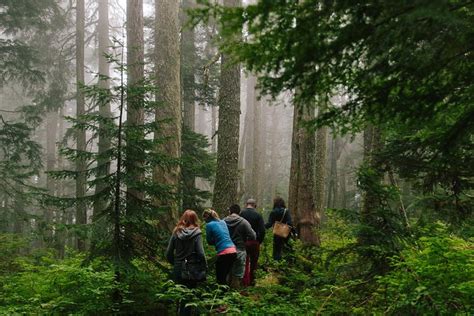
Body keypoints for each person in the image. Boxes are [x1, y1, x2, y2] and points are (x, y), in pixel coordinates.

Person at [166, 210, 207, 315]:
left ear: (183, 218)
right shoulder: (197, 233)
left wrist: (175, 263)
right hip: (191, 269)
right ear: (195, 219)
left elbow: (168, 253)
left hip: (178, 267)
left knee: (179, 295)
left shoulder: (176, 232)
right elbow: (201, 253)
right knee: (188, 297)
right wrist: (204, 266)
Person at [223, 204, 257, 288]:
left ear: (230, 211)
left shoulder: (223, 221)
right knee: (237, 275)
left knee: (227, 272)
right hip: (240, 250)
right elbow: (253, 236)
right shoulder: (244, 222)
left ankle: (224, 295)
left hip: (226, 250)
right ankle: (234, 296)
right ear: (239, 212)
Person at [202, 209, 237, 285]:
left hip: (224, 252)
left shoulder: (209, 225)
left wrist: (216, 241)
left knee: (220, 278)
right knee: (225, 275)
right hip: (233, 251)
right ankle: (228, 294)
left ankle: (221, 295)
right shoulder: (223, 222)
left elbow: (209, 241)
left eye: (204, 219)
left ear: (206, 218)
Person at [240, 198, 265, 286]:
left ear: (246, 204)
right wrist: (259, 241)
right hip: (254, 242)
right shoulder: (258, 215)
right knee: (254, 262)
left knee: (244, 262)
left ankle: (243, 281)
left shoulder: (241, 213)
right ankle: (252, 281)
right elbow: (262, 230)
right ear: (255, 205)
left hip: (243, 241)